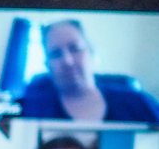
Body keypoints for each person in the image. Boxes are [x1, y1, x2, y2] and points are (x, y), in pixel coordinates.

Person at [17, 20, 159, 123]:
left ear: (91, 53)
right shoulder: (29, 109)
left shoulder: (139, 103)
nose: (68, 61)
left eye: (75, 48)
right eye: (55, 54)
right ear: (47, 65)